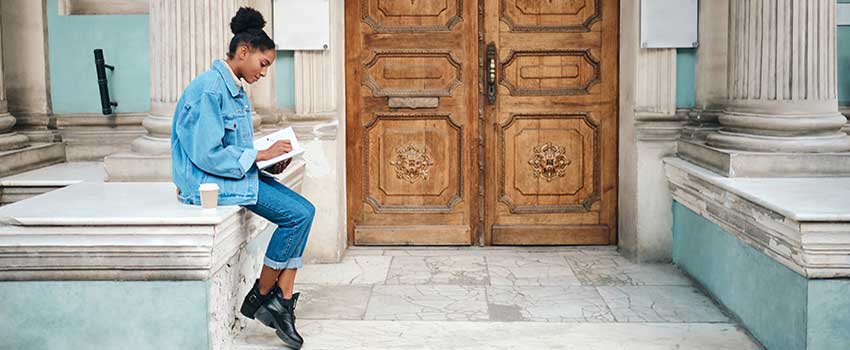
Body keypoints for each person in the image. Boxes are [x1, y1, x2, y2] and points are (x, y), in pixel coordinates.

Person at [170, 7, 314, 350]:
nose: (264, 73)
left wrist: (267, 163)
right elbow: (207, 154)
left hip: (231, 176)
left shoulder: (232, 89)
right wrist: (259, 155)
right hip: (208, 183)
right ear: (244, 51)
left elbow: (233, 150)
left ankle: (278, 297)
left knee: (305, 211)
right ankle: (265, 295)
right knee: (297, 216)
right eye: (263, 64)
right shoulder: (210, 89)